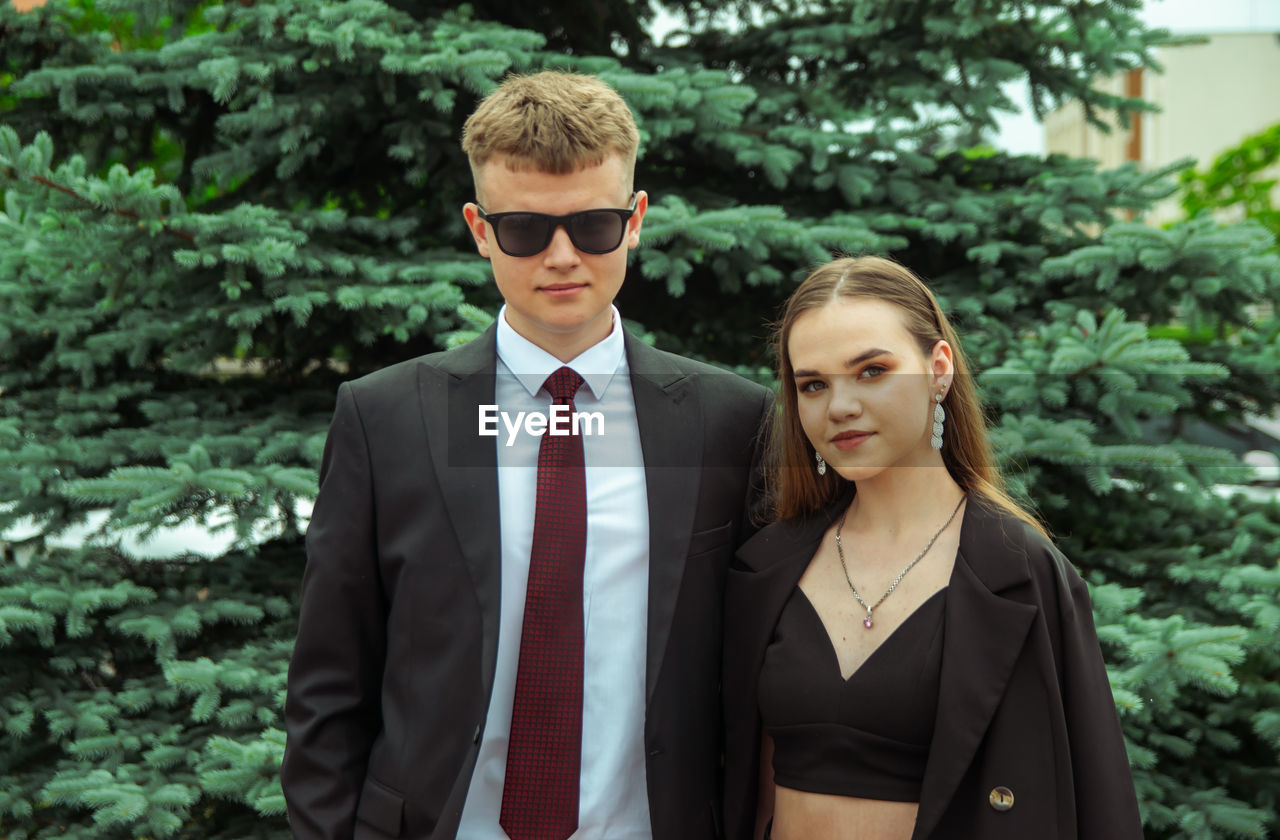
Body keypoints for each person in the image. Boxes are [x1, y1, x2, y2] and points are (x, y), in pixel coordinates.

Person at [282, 71, 771, 840]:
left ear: (636, 218)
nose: (563, 256)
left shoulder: (728, 422)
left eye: (595, 226)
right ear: (480, 229)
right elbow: (327, 684)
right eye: (526, 231)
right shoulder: (387, 419)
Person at [721, 256, 1143, 840]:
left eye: (871, 371)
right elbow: (743, 786)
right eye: (813, 384)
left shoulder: (1021, 571)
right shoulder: (766, 566)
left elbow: (1096, 797)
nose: (839, 406)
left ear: (938, 370)